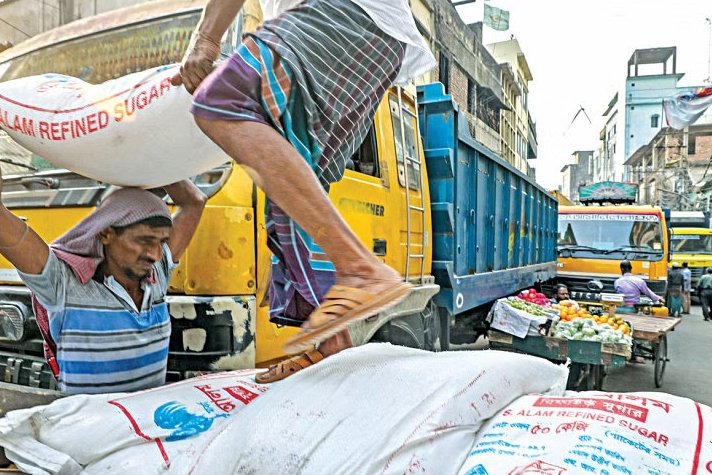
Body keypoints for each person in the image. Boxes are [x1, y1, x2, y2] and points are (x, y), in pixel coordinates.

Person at [173, 0, 436, 382]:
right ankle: (330, 349)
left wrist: (206, 41)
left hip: (345, 12)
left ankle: (360, 270)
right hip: (371, 37)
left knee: (223, 100)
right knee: (289, 199)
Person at [0, 174, 206, 394]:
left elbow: (194, 202)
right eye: (144, 241)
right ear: (106, 234)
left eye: (162, 242)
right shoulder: (65, 283)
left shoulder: (156, 272)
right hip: (91, 427)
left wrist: (151, 161)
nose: (156, 254)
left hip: (145, 424)